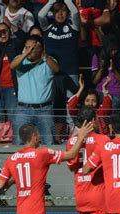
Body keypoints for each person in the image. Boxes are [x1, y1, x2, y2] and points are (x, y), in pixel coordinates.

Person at [10, 35, 60, 145]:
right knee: (18, 142)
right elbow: (12, 66)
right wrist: (26, 53)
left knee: (49, 142)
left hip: (44, 109)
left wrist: (44, 55)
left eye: (32, 48)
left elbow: (56, 69)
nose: (29, 50)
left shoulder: (48, 62)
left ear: (40, 48)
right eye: (27, 47)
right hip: (23, 109)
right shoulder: (21, 61)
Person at [39, 0, 80, 130]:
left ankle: (73, 134)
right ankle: (53, 134)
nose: (60, 14)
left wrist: (67, 1)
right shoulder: (48, 27)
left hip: (70, 72)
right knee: (52, 105)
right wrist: (52, 1)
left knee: (70, 106)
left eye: (63, 11)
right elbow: (40, 15)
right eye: (57, 11)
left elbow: (75, 12)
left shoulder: (73, 27)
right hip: (51, 73)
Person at [92, 36, 120, 110]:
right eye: (111, 50)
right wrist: (101, 69)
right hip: (100, 92)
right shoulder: (97, 57)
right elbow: (94, 81)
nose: (113, 53)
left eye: (115, 50)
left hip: (116, 94)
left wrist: (114, 70)